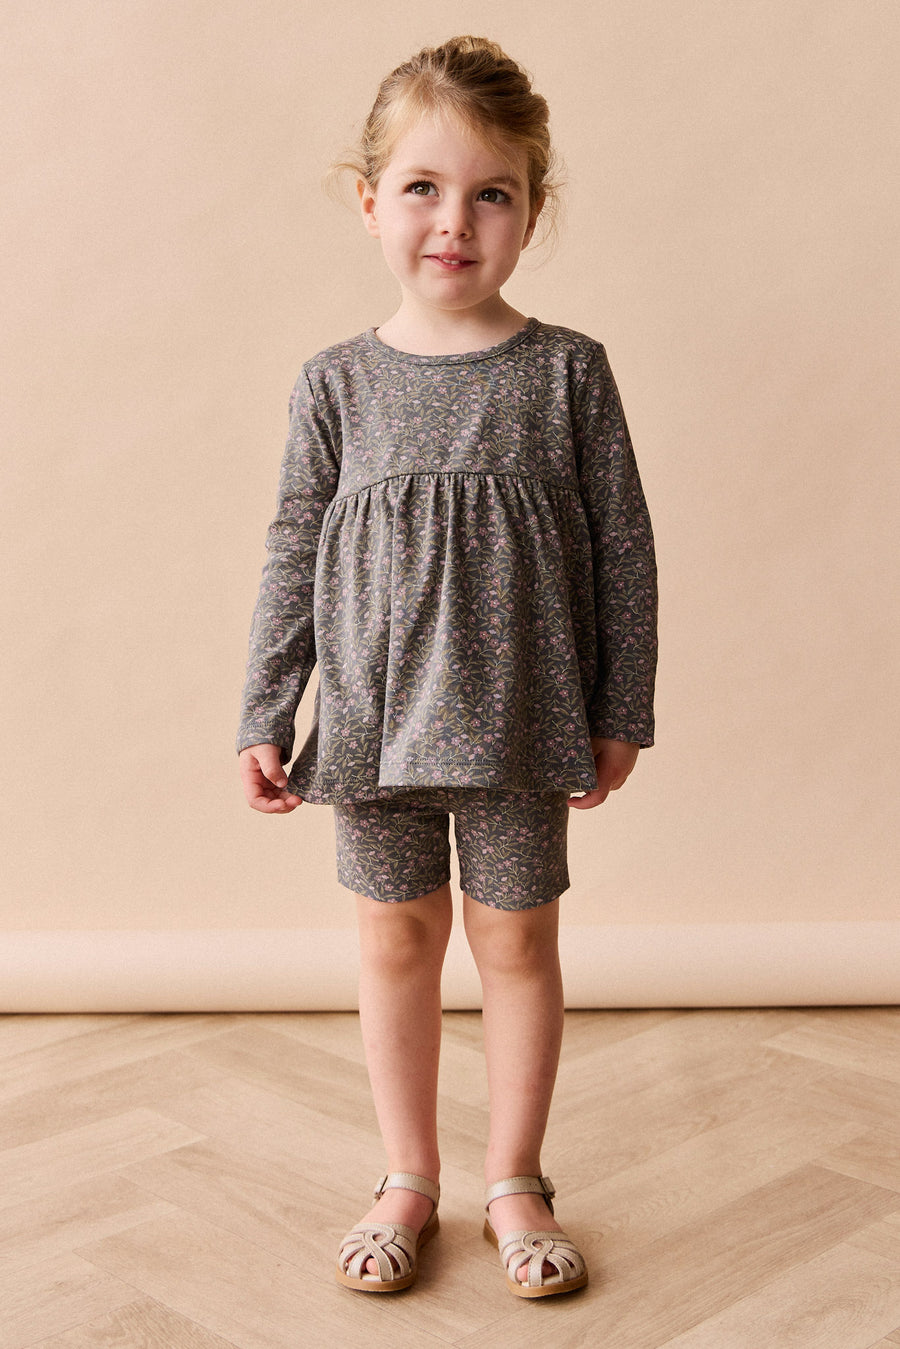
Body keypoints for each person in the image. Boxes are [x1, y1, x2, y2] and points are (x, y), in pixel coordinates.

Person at [236, 35, 657, 1299]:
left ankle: (515, 1177)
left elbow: (624, 546)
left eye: (492, 193)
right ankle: (407, 1174)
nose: (455, 222)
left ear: (533, 206)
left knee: (517, 940)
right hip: (372, 724)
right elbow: (293, 548)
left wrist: (621, 703)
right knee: (396, 939)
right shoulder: (336, 383)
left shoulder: (566, 371)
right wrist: (267, 705)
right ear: (370, 200)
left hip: (524, 716)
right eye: (422, 187)